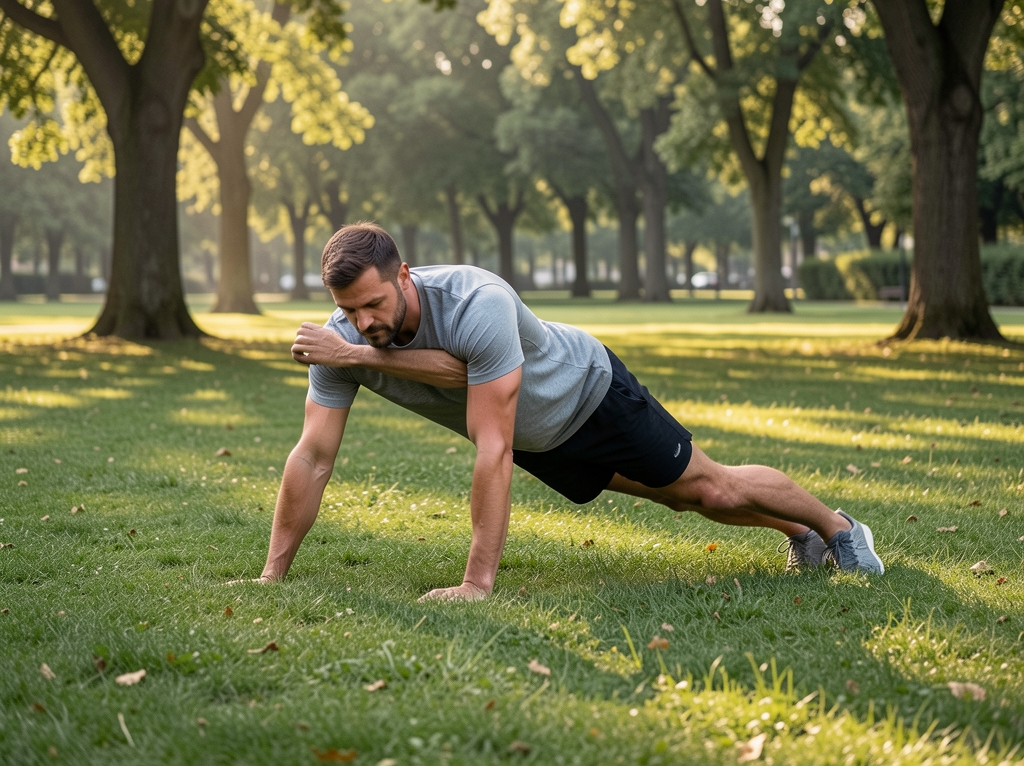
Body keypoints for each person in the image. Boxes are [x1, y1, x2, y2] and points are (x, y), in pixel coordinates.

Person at [257, 224, 883, 600]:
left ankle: (839, 530)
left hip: (589, 394)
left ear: (404, 276)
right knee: (680, 499)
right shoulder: (342, 341)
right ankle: (797, 534)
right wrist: (272, 577)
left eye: (372, 303)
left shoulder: (477, 301)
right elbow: (312, 457)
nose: (364, 324)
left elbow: (491, 446)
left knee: (710, 488)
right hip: (545, 441)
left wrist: (476, 585)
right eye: (350, 310)